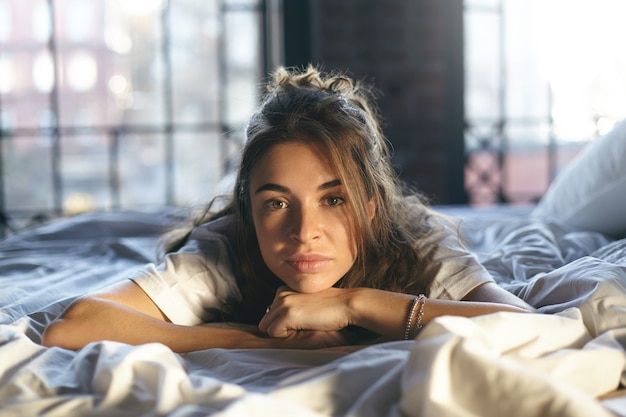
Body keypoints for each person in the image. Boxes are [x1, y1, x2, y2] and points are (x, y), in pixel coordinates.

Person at [42, 65, 534, 352]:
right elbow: (75, 325)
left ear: (370, 205)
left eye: (333, 199)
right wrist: (257, 342)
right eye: (276, 203)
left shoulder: (415, 234)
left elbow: (529, 326)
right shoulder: (228, 244)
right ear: (248, 211)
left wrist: (352, 303)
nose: (304, 232)